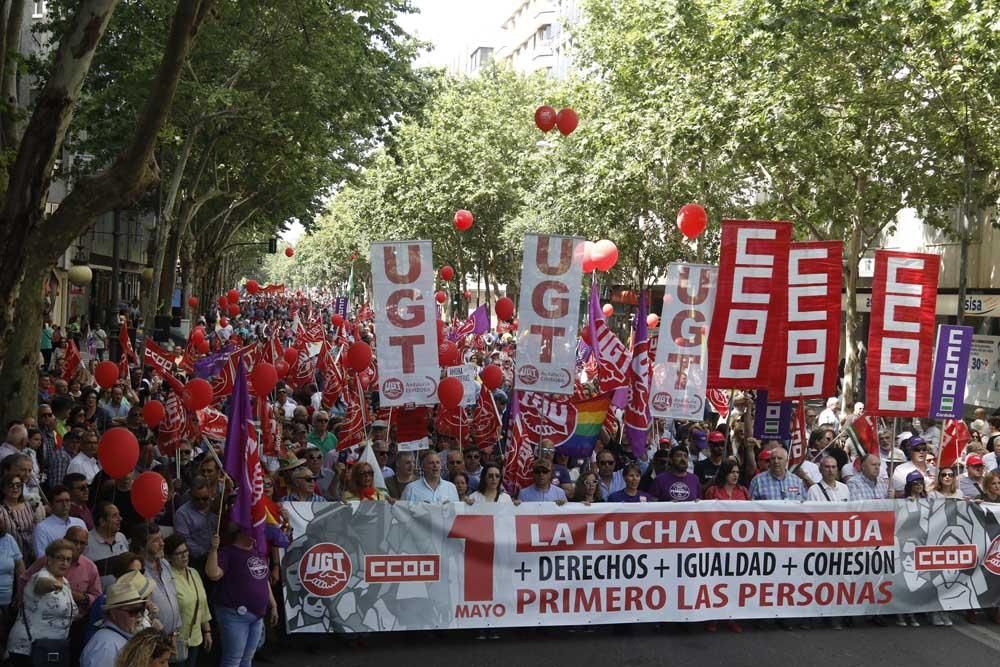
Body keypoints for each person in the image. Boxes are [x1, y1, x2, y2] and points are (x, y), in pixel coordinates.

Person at [206, 526, 279, 667]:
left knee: (247, 659)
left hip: (257, 616)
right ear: (242, 532)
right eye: (255, 530)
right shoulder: (228, 552)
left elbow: (263, 579)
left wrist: (273, 605)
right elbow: (213, 574)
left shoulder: (258, 552)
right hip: (234, 614)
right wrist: (213, 550)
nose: (258, 533)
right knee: (233, 659)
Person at [7, 539, 78, 666]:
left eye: (68, 559)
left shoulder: (65, 582)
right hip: (27, 649)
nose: (65, 563)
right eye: (60, 558)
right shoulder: (40, 576)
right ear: (49, 559)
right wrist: (52, 585)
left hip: (51, 648)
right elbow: (41, 585)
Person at [80, 570, 154, 667]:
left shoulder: (117, 637)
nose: (139, 615)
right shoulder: (106, 647)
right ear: (113, 613)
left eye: (141, 609)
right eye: (133, 611)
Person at [164, 534, 212, 667]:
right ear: (168, 557)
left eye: (186, 551)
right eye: (178, 553)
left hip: (195, 637)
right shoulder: (167, 578)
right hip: (176, 641)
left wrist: (207, 631)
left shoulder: (194, 573)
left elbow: (203, 605)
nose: (184, 556)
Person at [131, 524, 180, 636]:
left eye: (161, 538)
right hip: (154, 639)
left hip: (174, 635)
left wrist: (176, 630)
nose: (162, 543)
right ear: (142, 546)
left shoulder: (165, 564)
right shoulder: (137, 572)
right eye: (155, 541)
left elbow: (174, 596)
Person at [34, 485, 87, 557]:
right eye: (59, 501)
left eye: (67, 500)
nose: (64, 505)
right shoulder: (42, 528)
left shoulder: (79, 523)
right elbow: (42, 557)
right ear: (50, 504)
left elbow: (87, 550)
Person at [86, 502, 130, 588]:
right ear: (102, 521)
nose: (120, 519)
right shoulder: (86, 542)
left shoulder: (121, 537)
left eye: (119, 515)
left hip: (125, 596)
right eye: (114, 516)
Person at [0, 473, 42, 563]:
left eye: (18, 485)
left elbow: (35, 528)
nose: (15, 488)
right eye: (11, 485)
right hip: (10, 556)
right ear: (3, 488)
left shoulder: (28, 505)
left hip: (30, 555)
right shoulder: (1, 510)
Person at [0, 509, 23, 646]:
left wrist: (20, 592)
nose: (1, 523)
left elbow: (20, 567)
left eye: (2, 520)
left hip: (9, 601)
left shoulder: (8, 539)